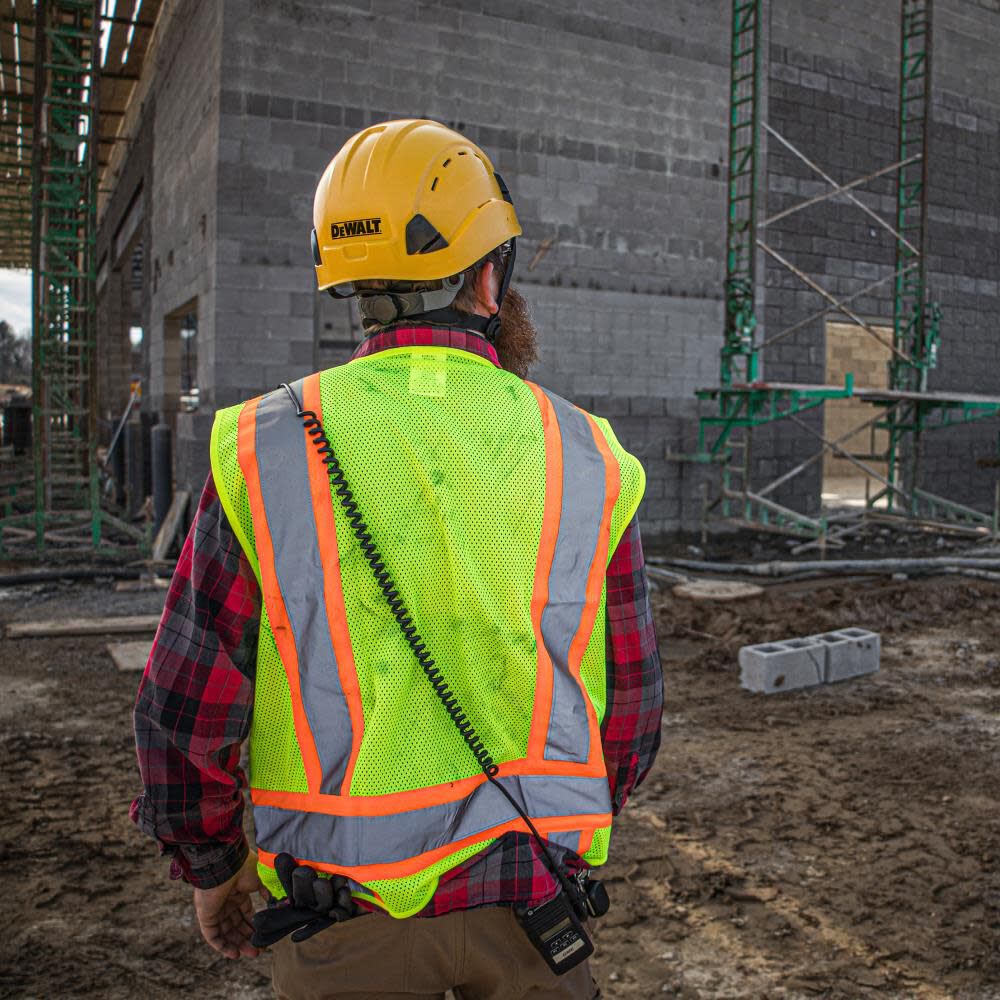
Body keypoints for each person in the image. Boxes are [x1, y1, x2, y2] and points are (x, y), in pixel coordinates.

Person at [131, 119, 663, 1000]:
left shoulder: (263, 448)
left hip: (340, 928)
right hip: (534, 913)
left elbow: (187, 708)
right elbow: (630, 718)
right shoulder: (589, 456)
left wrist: (213, 867)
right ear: (490, 277)